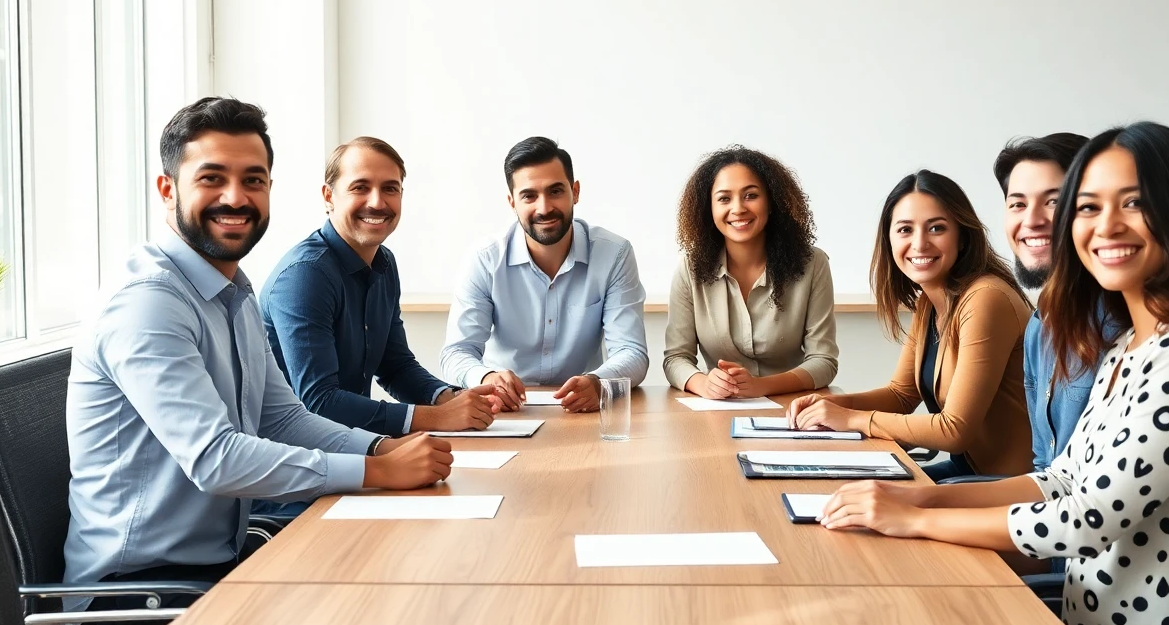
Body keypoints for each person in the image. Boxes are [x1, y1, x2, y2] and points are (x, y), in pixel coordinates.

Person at [817, 122, 1169, 625]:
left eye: (1133, 203)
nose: (1106, 225)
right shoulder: (1130, 345)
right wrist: (920, 498)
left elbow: (1088, 517)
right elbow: (1059, 479)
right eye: (1088, 207)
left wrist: (916, 520)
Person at [62, 98, 453, 625]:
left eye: (253, 180)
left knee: (399, 608)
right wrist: (376, 470)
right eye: (212, 178)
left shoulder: (231, 290)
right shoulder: (148, 304)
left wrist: (380, 447)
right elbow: (215, 459)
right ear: (167, 189)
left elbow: (283, 417)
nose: (236, 197)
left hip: (215, 567)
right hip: (135, 600)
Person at [787, 170, 1033, 480]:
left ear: (962, 237)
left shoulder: (986, 299)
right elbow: (901, 396)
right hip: (968, 470)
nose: (920, 243)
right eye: (905, 229)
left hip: (1008, 485)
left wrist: (851, 418)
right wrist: (832, 404)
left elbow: (954, 430)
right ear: (889, 239)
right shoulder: (929, 302)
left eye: (936, 228)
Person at [260, 137, 499, 438]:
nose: (377, 202)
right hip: (296, 453)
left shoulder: (384, 262)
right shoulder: (305, 274)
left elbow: (395, 366)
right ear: (328, 196)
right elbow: (320, 402)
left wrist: (451, 398)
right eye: (360, 187)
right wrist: (437, 417)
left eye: (390, 188)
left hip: (349, 443)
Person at [440, 136, 649, 411]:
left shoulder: (614, 254)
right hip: (504, 410)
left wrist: (598, 382)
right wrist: (487, 378)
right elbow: (456, 353)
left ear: (575, 192)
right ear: (512, 202)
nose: (544, 208)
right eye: (529, 196)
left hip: (582, 410)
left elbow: (632, 351)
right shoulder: (485, 259)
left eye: (556, 191)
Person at [663, 145, 838, 398]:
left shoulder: (813, 263)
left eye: (751, 195)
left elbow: (824, 361)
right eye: (724, 199)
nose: (738, 209)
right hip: (719, 408)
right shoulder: (690, 269)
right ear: (709, 208)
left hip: (792, 406)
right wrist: (704, 384)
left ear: (771, 201)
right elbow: (676, 358)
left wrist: (760, 386)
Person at [994, 132, 1101, 470]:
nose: (1031, 220)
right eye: (1018, 204)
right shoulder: (1039, 327)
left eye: (1053, 201)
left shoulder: (1122, 325)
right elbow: (1045, 465)